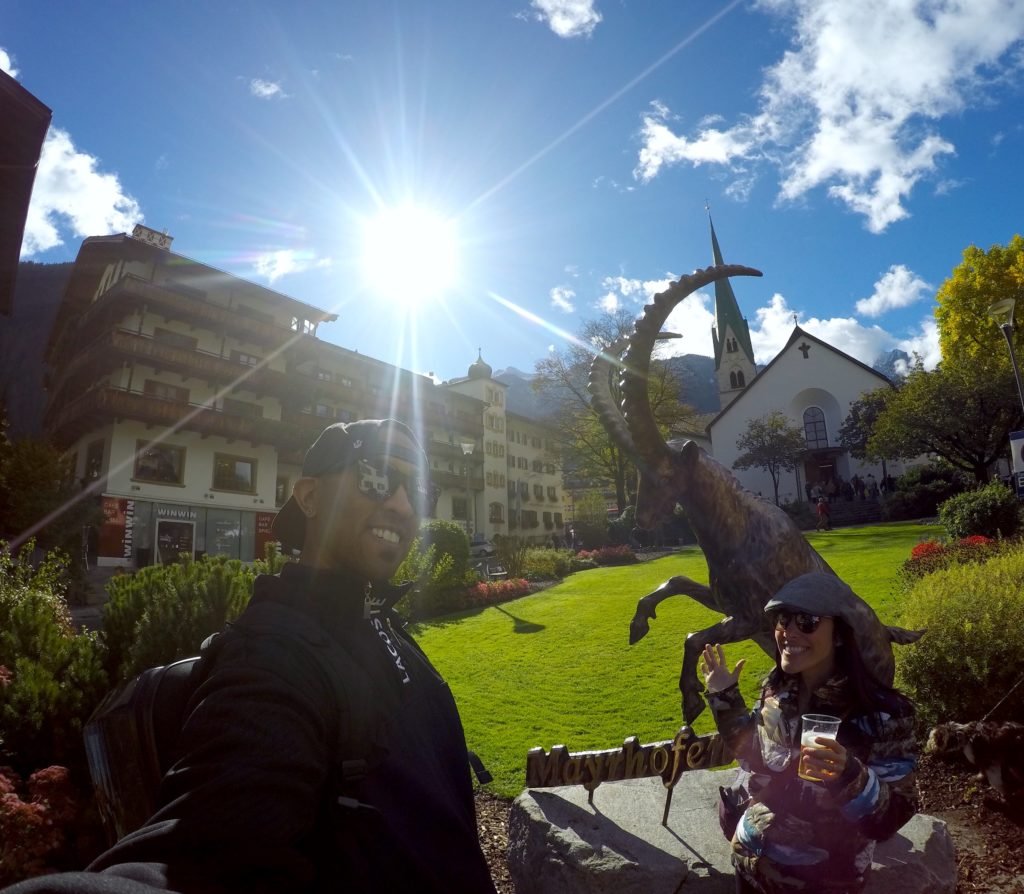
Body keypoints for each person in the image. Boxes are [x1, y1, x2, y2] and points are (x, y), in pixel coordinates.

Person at [5, 419, 497, 894]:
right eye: (377, 476)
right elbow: (207, 854)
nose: (403, 505)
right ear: (309, 497)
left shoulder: (377, 618)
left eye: (420, 491)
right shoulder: (272, 657)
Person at [701, 573, 918, 894]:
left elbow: (892, 817)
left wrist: (849, 774)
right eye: (782, 619)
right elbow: (757, 758)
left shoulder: (884, 715)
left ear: (840, 635)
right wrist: (725, 698)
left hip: (822, 883)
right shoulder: (777, 693)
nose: (788, 631)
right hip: (751, 865)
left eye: (807, 621)